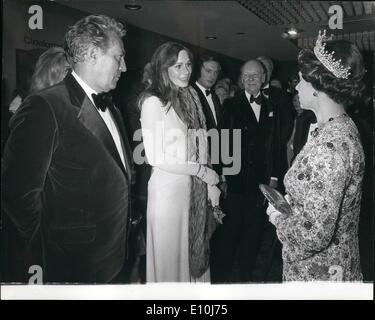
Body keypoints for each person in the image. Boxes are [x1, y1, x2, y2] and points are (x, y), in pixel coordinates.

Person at [2, 14, 133, 283]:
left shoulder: (115, 110)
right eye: (119, 57)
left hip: (115, 257)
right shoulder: (44, 106)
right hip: (74, 264)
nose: (125, 66)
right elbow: (18, 196)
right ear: (93, 55)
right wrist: (42, 257)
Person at [266, 31, 366, 281]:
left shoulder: (330, 146)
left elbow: (313, 236)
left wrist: (278, 217)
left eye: (301, 79)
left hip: (319, 274)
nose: (296, 86)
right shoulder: (339, 127)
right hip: (332, 266)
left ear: (319, 86)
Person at [139, 42, 221, 282]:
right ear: (163, 68)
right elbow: (156, 156)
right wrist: (202, 172)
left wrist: (209, 183)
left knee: (192, 261)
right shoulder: (152, 102)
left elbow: (200, 144)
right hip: (167, 194)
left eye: (187, 65)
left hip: (190, 190)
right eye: (177, 66)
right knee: (170, 267)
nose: (185, 71)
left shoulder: (190, 96)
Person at [1, 47, 71, 282]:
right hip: (37, 237)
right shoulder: (36, 110)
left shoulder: (61, 109)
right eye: (70, 73)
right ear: (56, 75)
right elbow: (18, 189)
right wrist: (37, 235)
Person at [211, 59, 282, 283]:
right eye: (246, 75)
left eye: (255, 75)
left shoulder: (273, 108)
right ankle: (218, 285)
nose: (251, 79)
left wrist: (273, 178)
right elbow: (220, 143)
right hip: (234, 184)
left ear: (264, 78)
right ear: (242, 79)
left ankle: (244, 283)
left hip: (261, 186)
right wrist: (221, 177)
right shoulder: (231, 105)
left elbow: (276, 146)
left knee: (253, 237)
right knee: (228, 238)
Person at [191, 54, 222, 130]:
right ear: (198, 70)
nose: (212, 76)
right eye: (208, 71)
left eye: (216, 72)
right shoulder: (190, 94)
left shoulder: (215, 97)